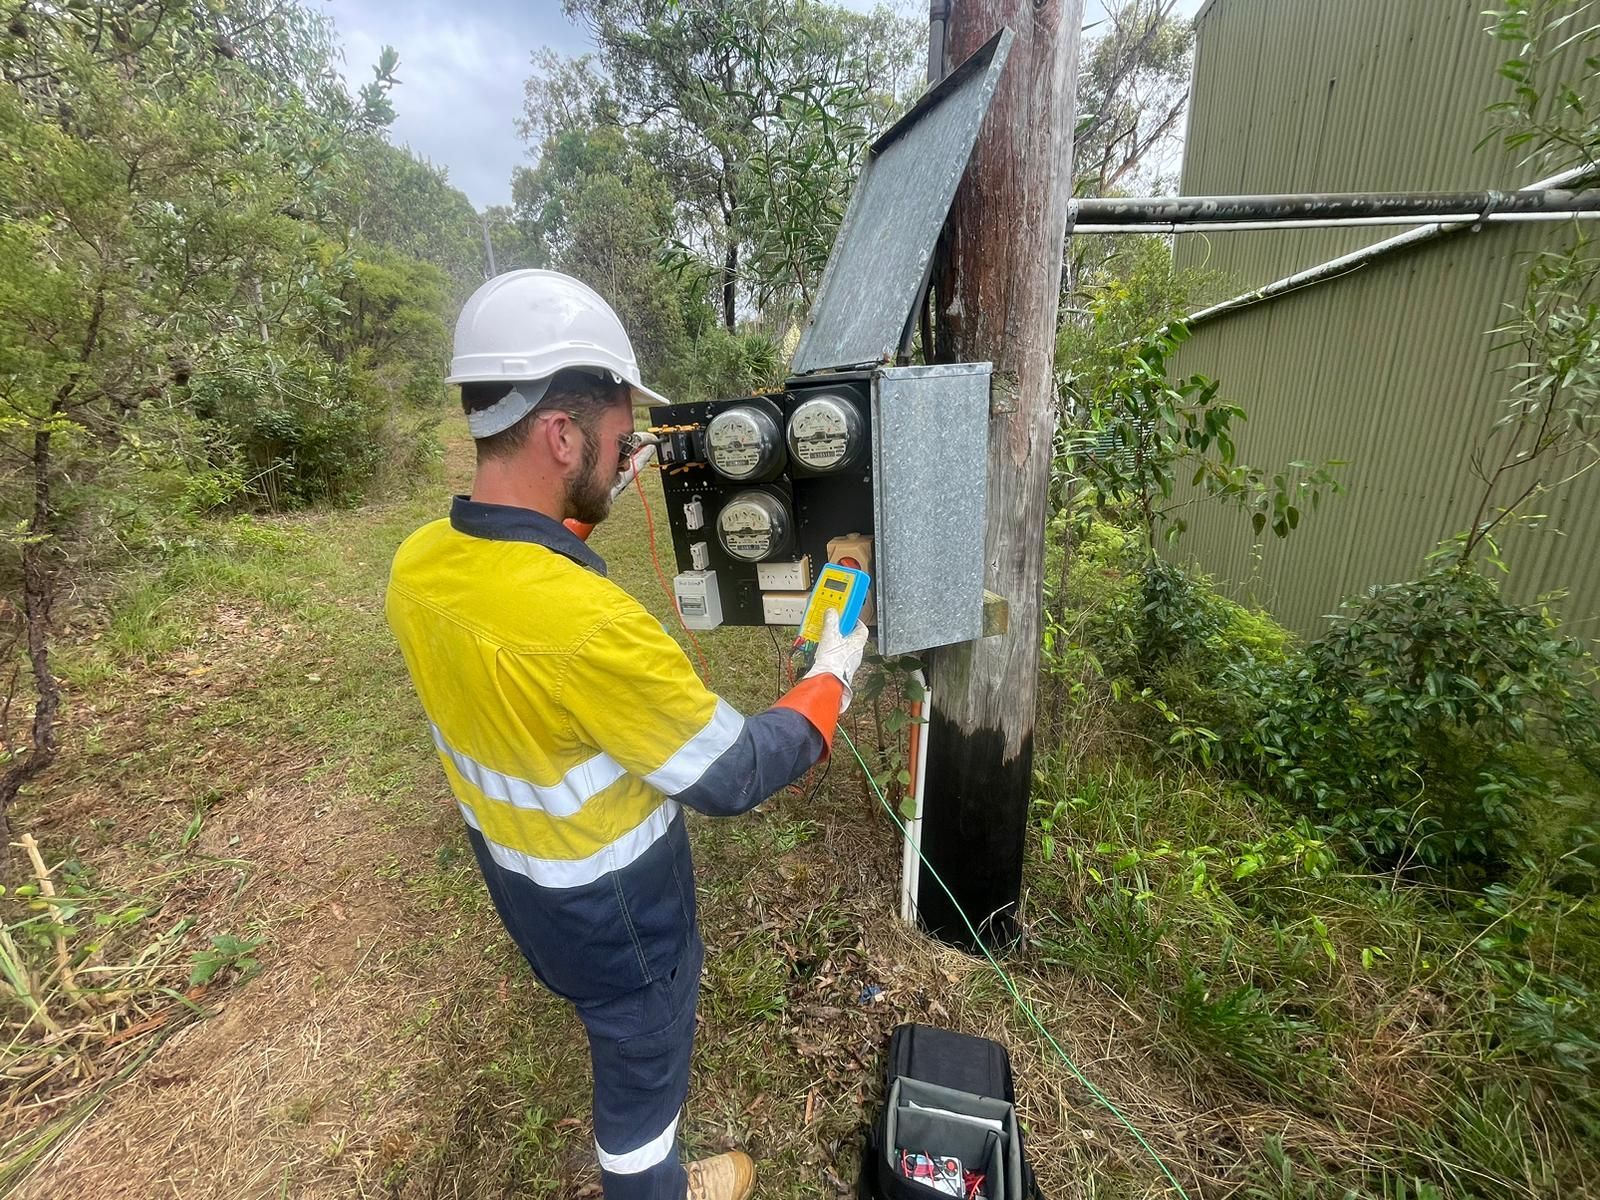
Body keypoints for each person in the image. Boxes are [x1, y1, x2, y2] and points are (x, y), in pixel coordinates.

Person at [385, 270, 868, 1200]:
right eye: (614, 441)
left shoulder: (419, 567)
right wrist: (832, 673)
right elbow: (731, 774)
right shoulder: (590, 627)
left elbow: (511, 568)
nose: (625, 454)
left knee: (613, 1035)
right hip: (622, 927)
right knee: (640, 1106)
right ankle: (655, 1184)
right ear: (561, 434)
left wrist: (586, 491)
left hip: (523, 889)